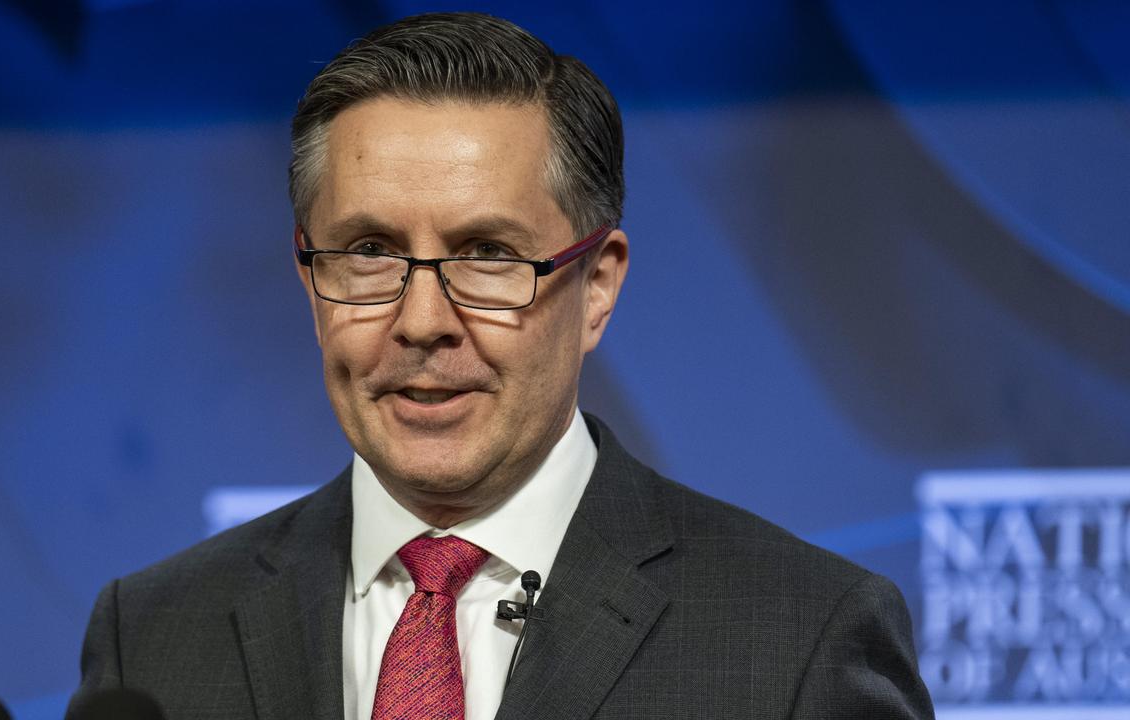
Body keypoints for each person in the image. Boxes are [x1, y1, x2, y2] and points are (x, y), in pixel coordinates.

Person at [67, 12, 934, 720]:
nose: (422, 322)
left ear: (596, 286)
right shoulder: (150, 638)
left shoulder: (801, 638)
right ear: (310, 279)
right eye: (369, 252)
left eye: (487, 255)